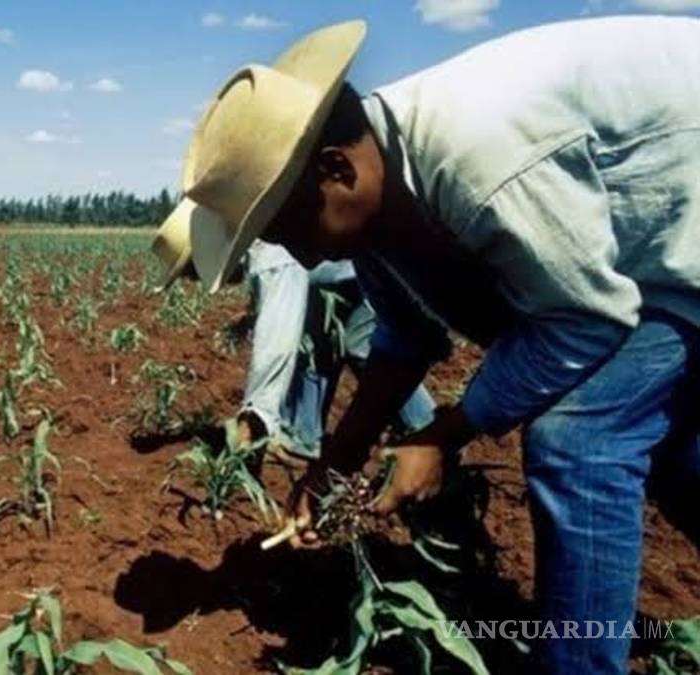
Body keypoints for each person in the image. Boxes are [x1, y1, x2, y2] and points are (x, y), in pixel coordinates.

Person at [150, 16, 700, 673]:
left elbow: (586, 318)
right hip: (658, 255)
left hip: (677, 244)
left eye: (293, 227)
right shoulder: (381, 193)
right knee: (663, 437)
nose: (300, 254)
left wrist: (442, 435)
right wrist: (335, 465)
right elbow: (405, 339)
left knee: (581, 437)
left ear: (337, 169)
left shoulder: (476, 156)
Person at [236, 240, 436, 461]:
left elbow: (277, 345)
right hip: (350, 264)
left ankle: (429, 432)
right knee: (321, 331)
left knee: (366, 344)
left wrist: (256, 413)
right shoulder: (267, 247)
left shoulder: (270, 253)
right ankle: (303, 436)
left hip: (379, 265)